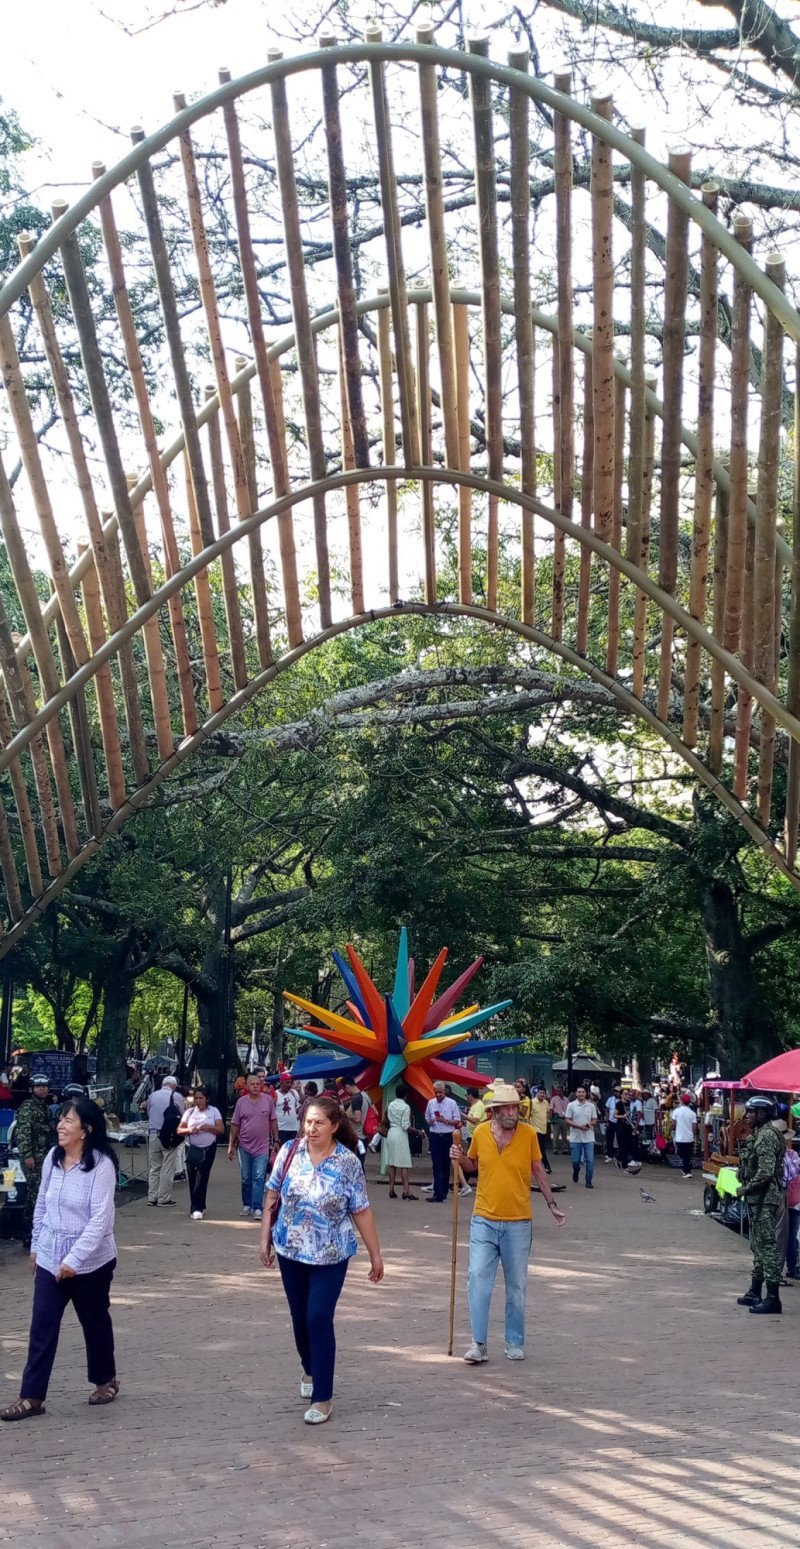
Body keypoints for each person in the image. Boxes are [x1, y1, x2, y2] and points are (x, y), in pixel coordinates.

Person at [260, 1096, 384, 1424]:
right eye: (308, 1122)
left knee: (317, 1317)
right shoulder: (289, 1152)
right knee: (299, 1319)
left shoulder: (347, 1163)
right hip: (291, 1250)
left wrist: (376, 1255)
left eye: (318, 1123)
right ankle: (309, 1369)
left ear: (334, 1126)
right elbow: (272, 1194)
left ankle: (323, 1397)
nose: (311, 1129)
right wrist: (264, 1237)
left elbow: (361, 1209)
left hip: (331, 1254)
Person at [1, 1097, 119, 1421]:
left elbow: (100, 1219)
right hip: (51, 1257)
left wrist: (75, 1260)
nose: (61, 1126)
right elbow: (42, 1206)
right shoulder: (53, 1157)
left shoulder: (101, 1166)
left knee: (94, 1322)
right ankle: (32, 1397)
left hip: (91, 1262)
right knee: (42, 1325)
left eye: (69, 1121)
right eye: (60, 1119)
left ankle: (105, 1379)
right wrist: (37, 1247)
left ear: (86, 1129)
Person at [450, 1082, 565, 1363]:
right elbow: (471, 1166)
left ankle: (514, 1340)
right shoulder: (479, 1132)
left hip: (518, 1222)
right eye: (507, 1108)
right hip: (484, 1219)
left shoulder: (528, 1135)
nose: (513, 1112)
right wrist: (460, 1157)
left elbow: (537, 1169)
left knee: (516, 1284)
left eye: (515, 1107)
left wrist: (552, 1204)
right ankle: (479, 1343)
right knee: (477, 1278)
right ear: (495, 1111)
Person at [736, 1096, 787, 1315]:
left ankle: (773, 1298)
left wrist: (747, 1188)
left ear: (762, 1114)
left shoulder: (766, 1136)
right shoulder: (761, 1134)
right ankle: (755, 1291)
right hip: (759, 1199)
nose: (746, 1116)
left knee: (767, 1248)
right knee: (758, 1246)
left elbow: (766, 1172)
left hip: (765, 1198)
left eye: (750, 1112)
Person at [229, 1072, 278, 1221]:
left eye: (258, 1084)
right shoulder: (241, 1102)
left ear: (261, 1086)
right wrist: (231, 1145)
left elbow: (274, 1120)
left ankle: (257, 1207)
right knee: (246, 1177)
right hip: (244, 1146)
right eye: (252, 1084)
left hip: (262, 1146)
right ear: (247, 1086)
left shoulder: (268, 1100)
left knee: (259, 1177)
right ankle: (247, 1205)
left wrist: (276, 1140)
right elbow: (235, 1124)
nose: (255, 1086)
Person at [15, 1074, 56, 1248]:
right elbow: (22, 1134)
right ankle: (28, 1233)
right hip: (33, 1158)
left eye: (45, 1086)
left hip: (45, 1157)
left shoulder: (45, 1109)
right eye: (38, 1086)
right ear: (31, 1089)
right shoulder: (27, 1108)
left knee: (42, 1194)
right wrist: (27, 1155)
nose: (42, 1088)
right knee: (34, 1196)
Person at [176, 1086, 224, 1219]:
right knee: (192, 1177)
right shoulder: (189, 1112)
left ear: (206, 1099)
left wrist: (210, 1127)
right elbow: (179, 1130)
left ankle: (197, 1208)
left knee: (202, 1177)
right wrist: (190, 1130)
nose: (198, 1101)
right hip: (192, 1148)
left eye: (201, 1098)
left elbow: (221, 1129)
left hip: (208, 1148)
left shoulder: (214, 1111)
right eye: (196, 1098)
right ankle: (197, 1204)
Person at [143, 1074, 185, 1208]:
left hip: (153, 1133)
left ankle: (152, 1197)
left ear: (162, 1085)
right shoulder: (176, 1097)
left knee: (155, 1166)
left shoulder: (152, 1096)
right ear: (173, 1086)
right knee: (167, 1166)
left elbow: (149, 1113)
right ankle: (164, 1198)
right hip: (169, 1135)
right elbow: (182, 1116)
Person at [424, 1081, 461, 1203]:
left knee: (445, 1164)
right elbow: (427, 1116)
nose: (438, 1095)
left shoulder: (452, 1103)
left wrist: (445, 1121)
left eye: (440, 1092)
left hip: (447, 1136)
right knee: (436, 1164)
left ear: (444, 1091)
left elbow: (457, 1120)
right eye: (436, 1092)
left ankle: (444, 1190)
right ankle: (437, 1193)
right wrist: (430, 1121)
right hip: (435, 1135)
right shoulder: (431, 1103)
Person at [383, 1081, 417, 1200]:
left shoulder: (391, 1105)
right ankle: (406, 1190)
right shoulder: (406, 1107)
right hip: (400, 1135)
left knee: (392, 1163)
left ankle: (391, 1189)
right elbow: (405, 1125)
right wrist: (417, 1131)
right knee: (404, 1164)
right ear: (405, 1094)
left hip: (391, 1133)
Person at [565, 1086, 598, 1187]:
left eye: (583, 1092)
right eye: (579, 1092)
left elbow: (595, 1120)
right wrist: (578, 1126)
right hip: (576, 1137)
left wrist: (589, 1124)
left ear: (586, 1093)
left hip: (589, 1137)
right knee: (575, 1160)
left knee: (590, 1160)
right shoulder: (571, 1105)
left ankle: (588, 1180)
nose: (581, 1094)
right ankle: (576, 1170)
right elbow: (567, 1119)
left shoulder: (591, 1106)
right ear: (576, 1093)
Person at [528, 1085, 552, 1175]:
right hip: (535, 1130)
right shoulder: (532, 1102)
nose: (542, 1094)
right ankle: (546, 1166)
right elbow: (529, 1115)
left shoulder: (546, 1103)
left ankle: (533, 1166)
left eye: (543, 1093)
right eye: (540, 1093)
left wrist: (547, 1118)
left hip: (543, 1129)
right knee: (541, 1149)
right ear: (537, 1093)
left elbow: (548, 1112)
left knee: (537, 1149)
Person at [673, 1093, 697, 1179]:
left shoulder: (676, 1111)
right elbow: (694, 1127)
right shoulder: (692, 1113)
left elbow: (673, 1124)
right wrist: (694, 1135)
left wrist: (671, 1130)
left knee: (683, 1154)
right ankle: (686, 1169)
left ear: (682, 1101)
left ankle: (687, 1171)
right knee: (687, 1155)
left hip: (680, 1137)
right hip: (689, 1138)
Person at [275, 1073, 302, 1146]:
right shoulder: (275, 1094)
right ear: (281, 1083)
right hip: (281, 1130)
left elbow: (302, 1101)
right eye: (287, 1082)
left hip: (293, 1129)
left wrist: (299, 1091)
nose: (289, 1084)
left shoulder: (293, 1092)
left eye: (291, 1083)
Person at [549, 1087, 568, 1154]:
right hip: (557, 1118)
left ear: (563, 1091)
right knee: (556, 1134)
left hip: (564, 1118)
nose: (558, 1092)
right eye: (557, 1091)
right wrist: (550, 1118)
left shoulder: (566, 1100)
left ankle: (564, 1148)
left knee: (564, 1135)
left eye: (559, 1091)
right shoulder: (554, 1099)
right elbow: (551, 1109)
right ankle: (555, 1148)